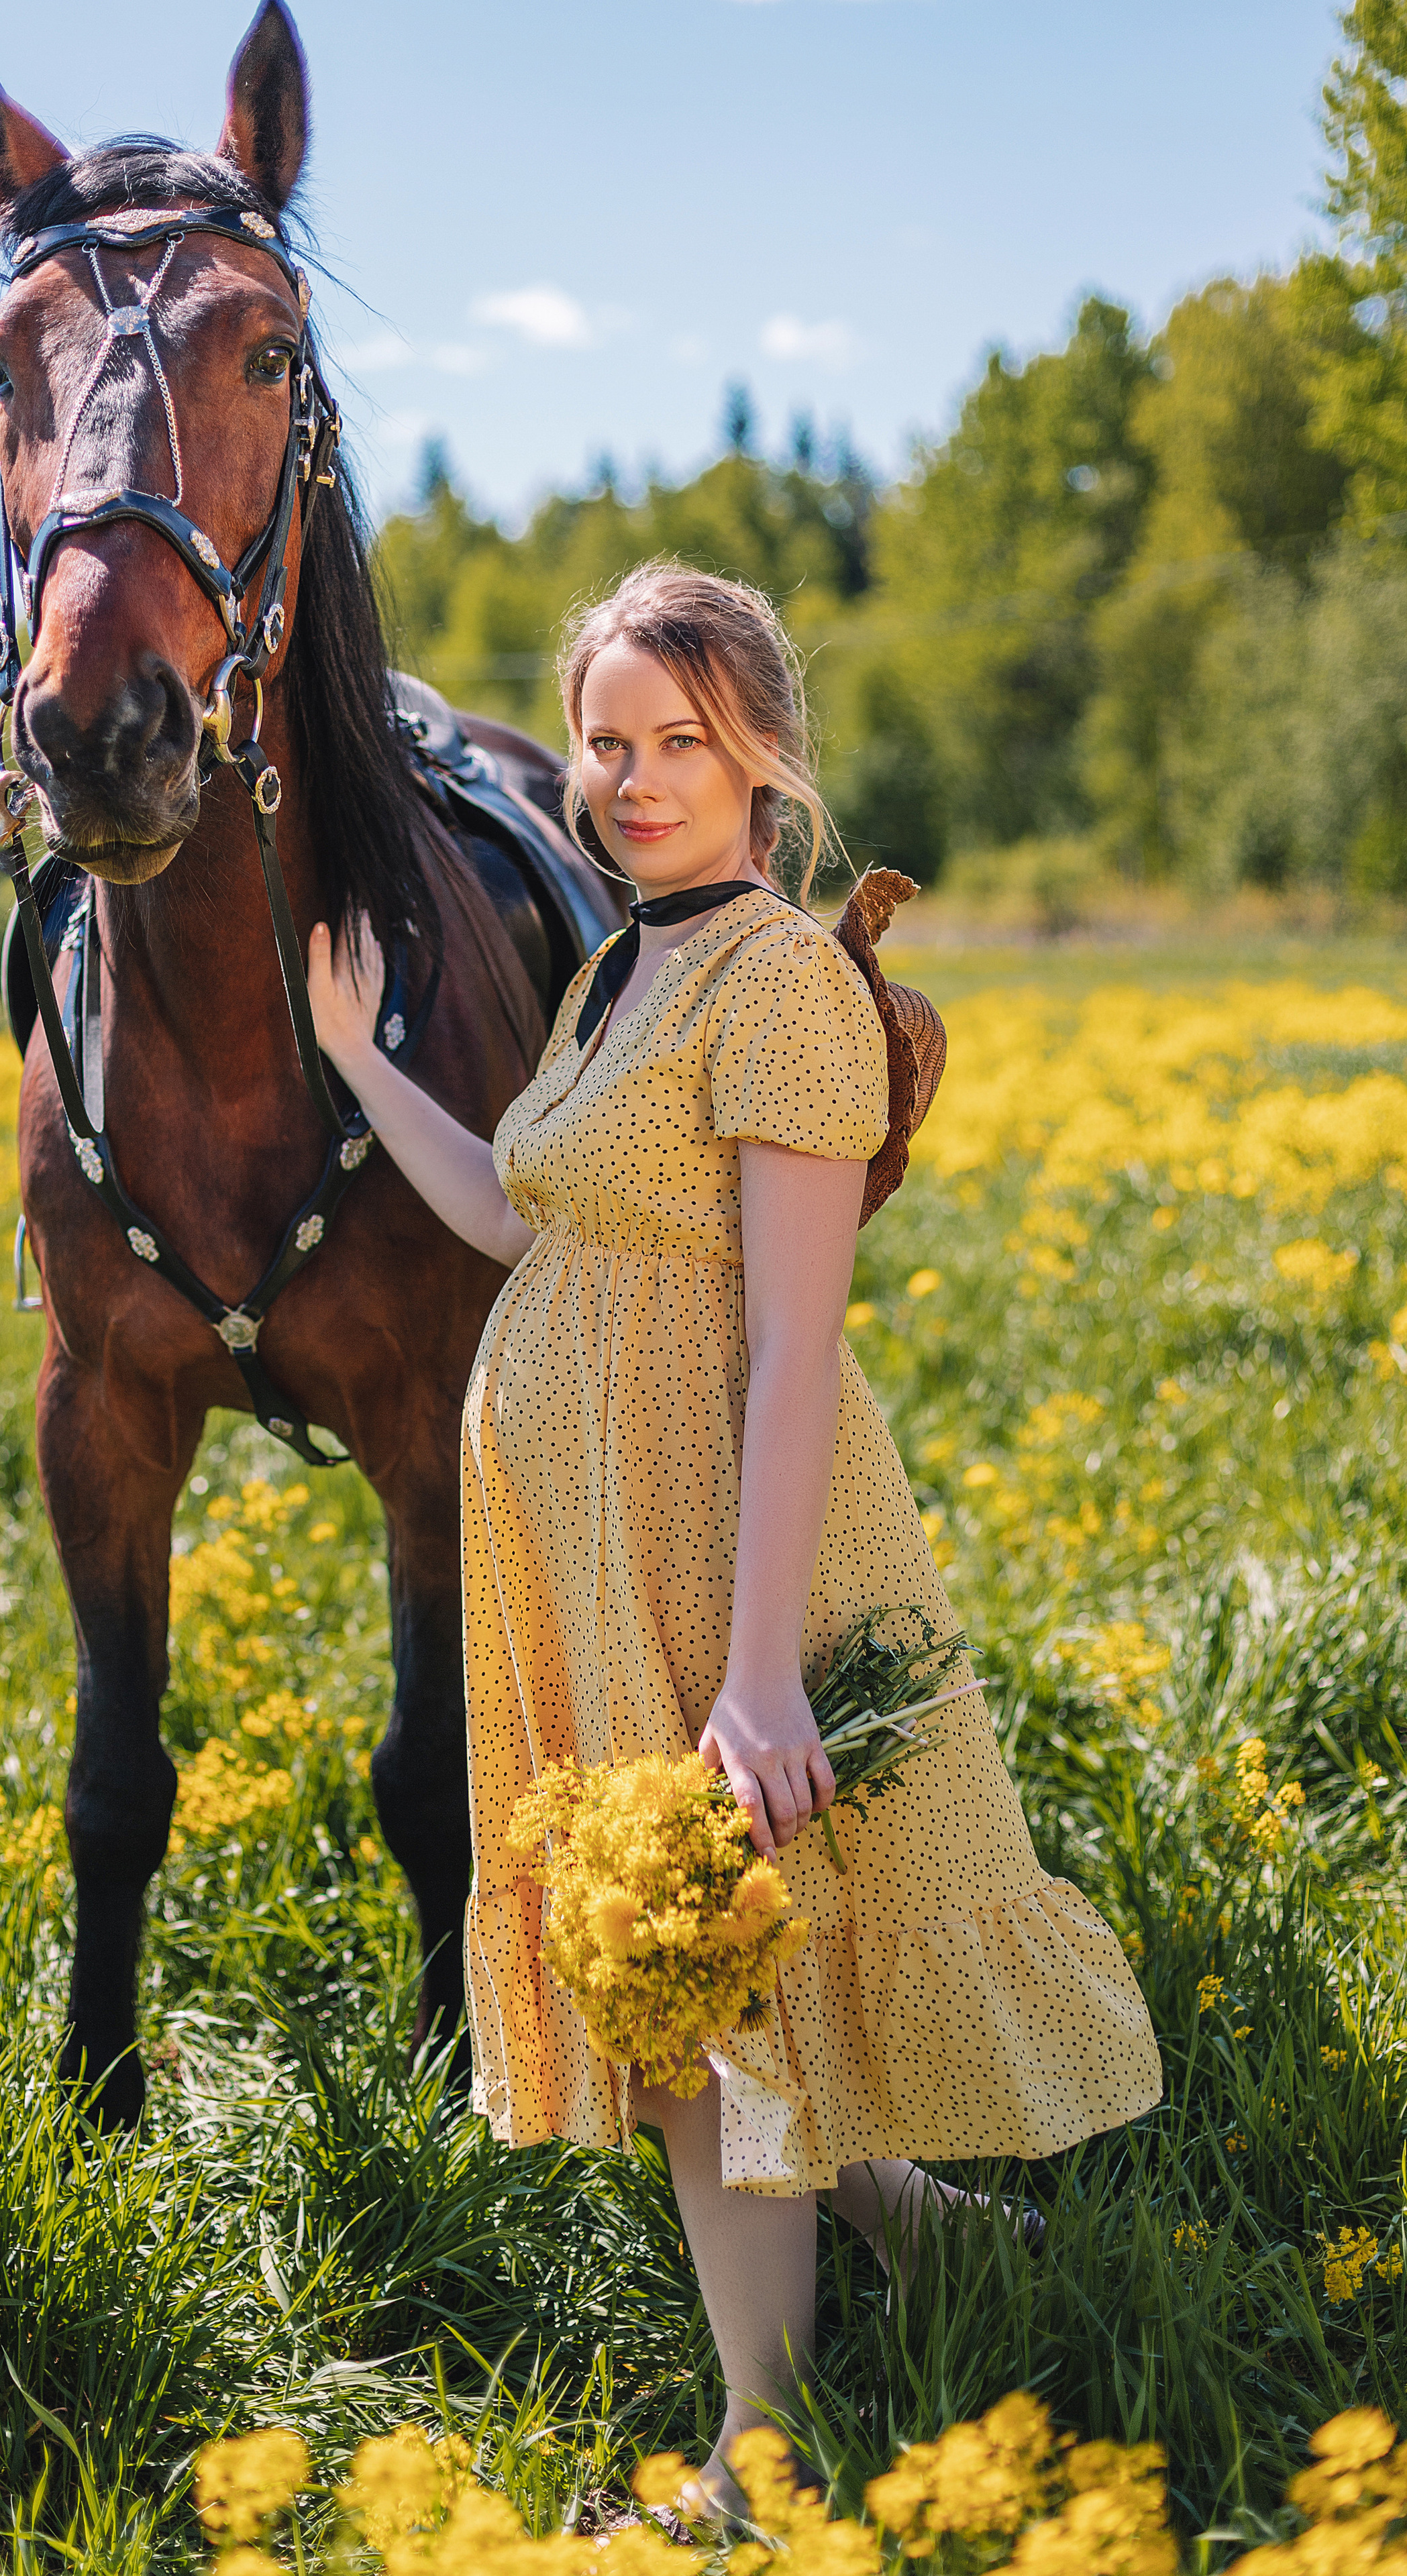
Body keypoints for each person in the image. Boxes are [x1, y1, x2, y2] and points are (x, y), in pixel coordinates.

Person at [307, 561, 1160, 2518]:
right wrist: (362, 1065)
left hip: (714, 1531)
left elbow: (796, 1335)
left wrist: (764, 1662)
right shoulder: (625, 967)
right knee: (701, 1958)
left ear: (763, 749)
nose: (629, 778)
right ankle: (919, 2236)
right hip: (588, 1542)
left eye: (676, 739)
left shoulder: (777, 977)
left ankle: (762, 2455)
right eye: (607, 743)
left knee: (699, 1951)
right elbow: (537, 1220)